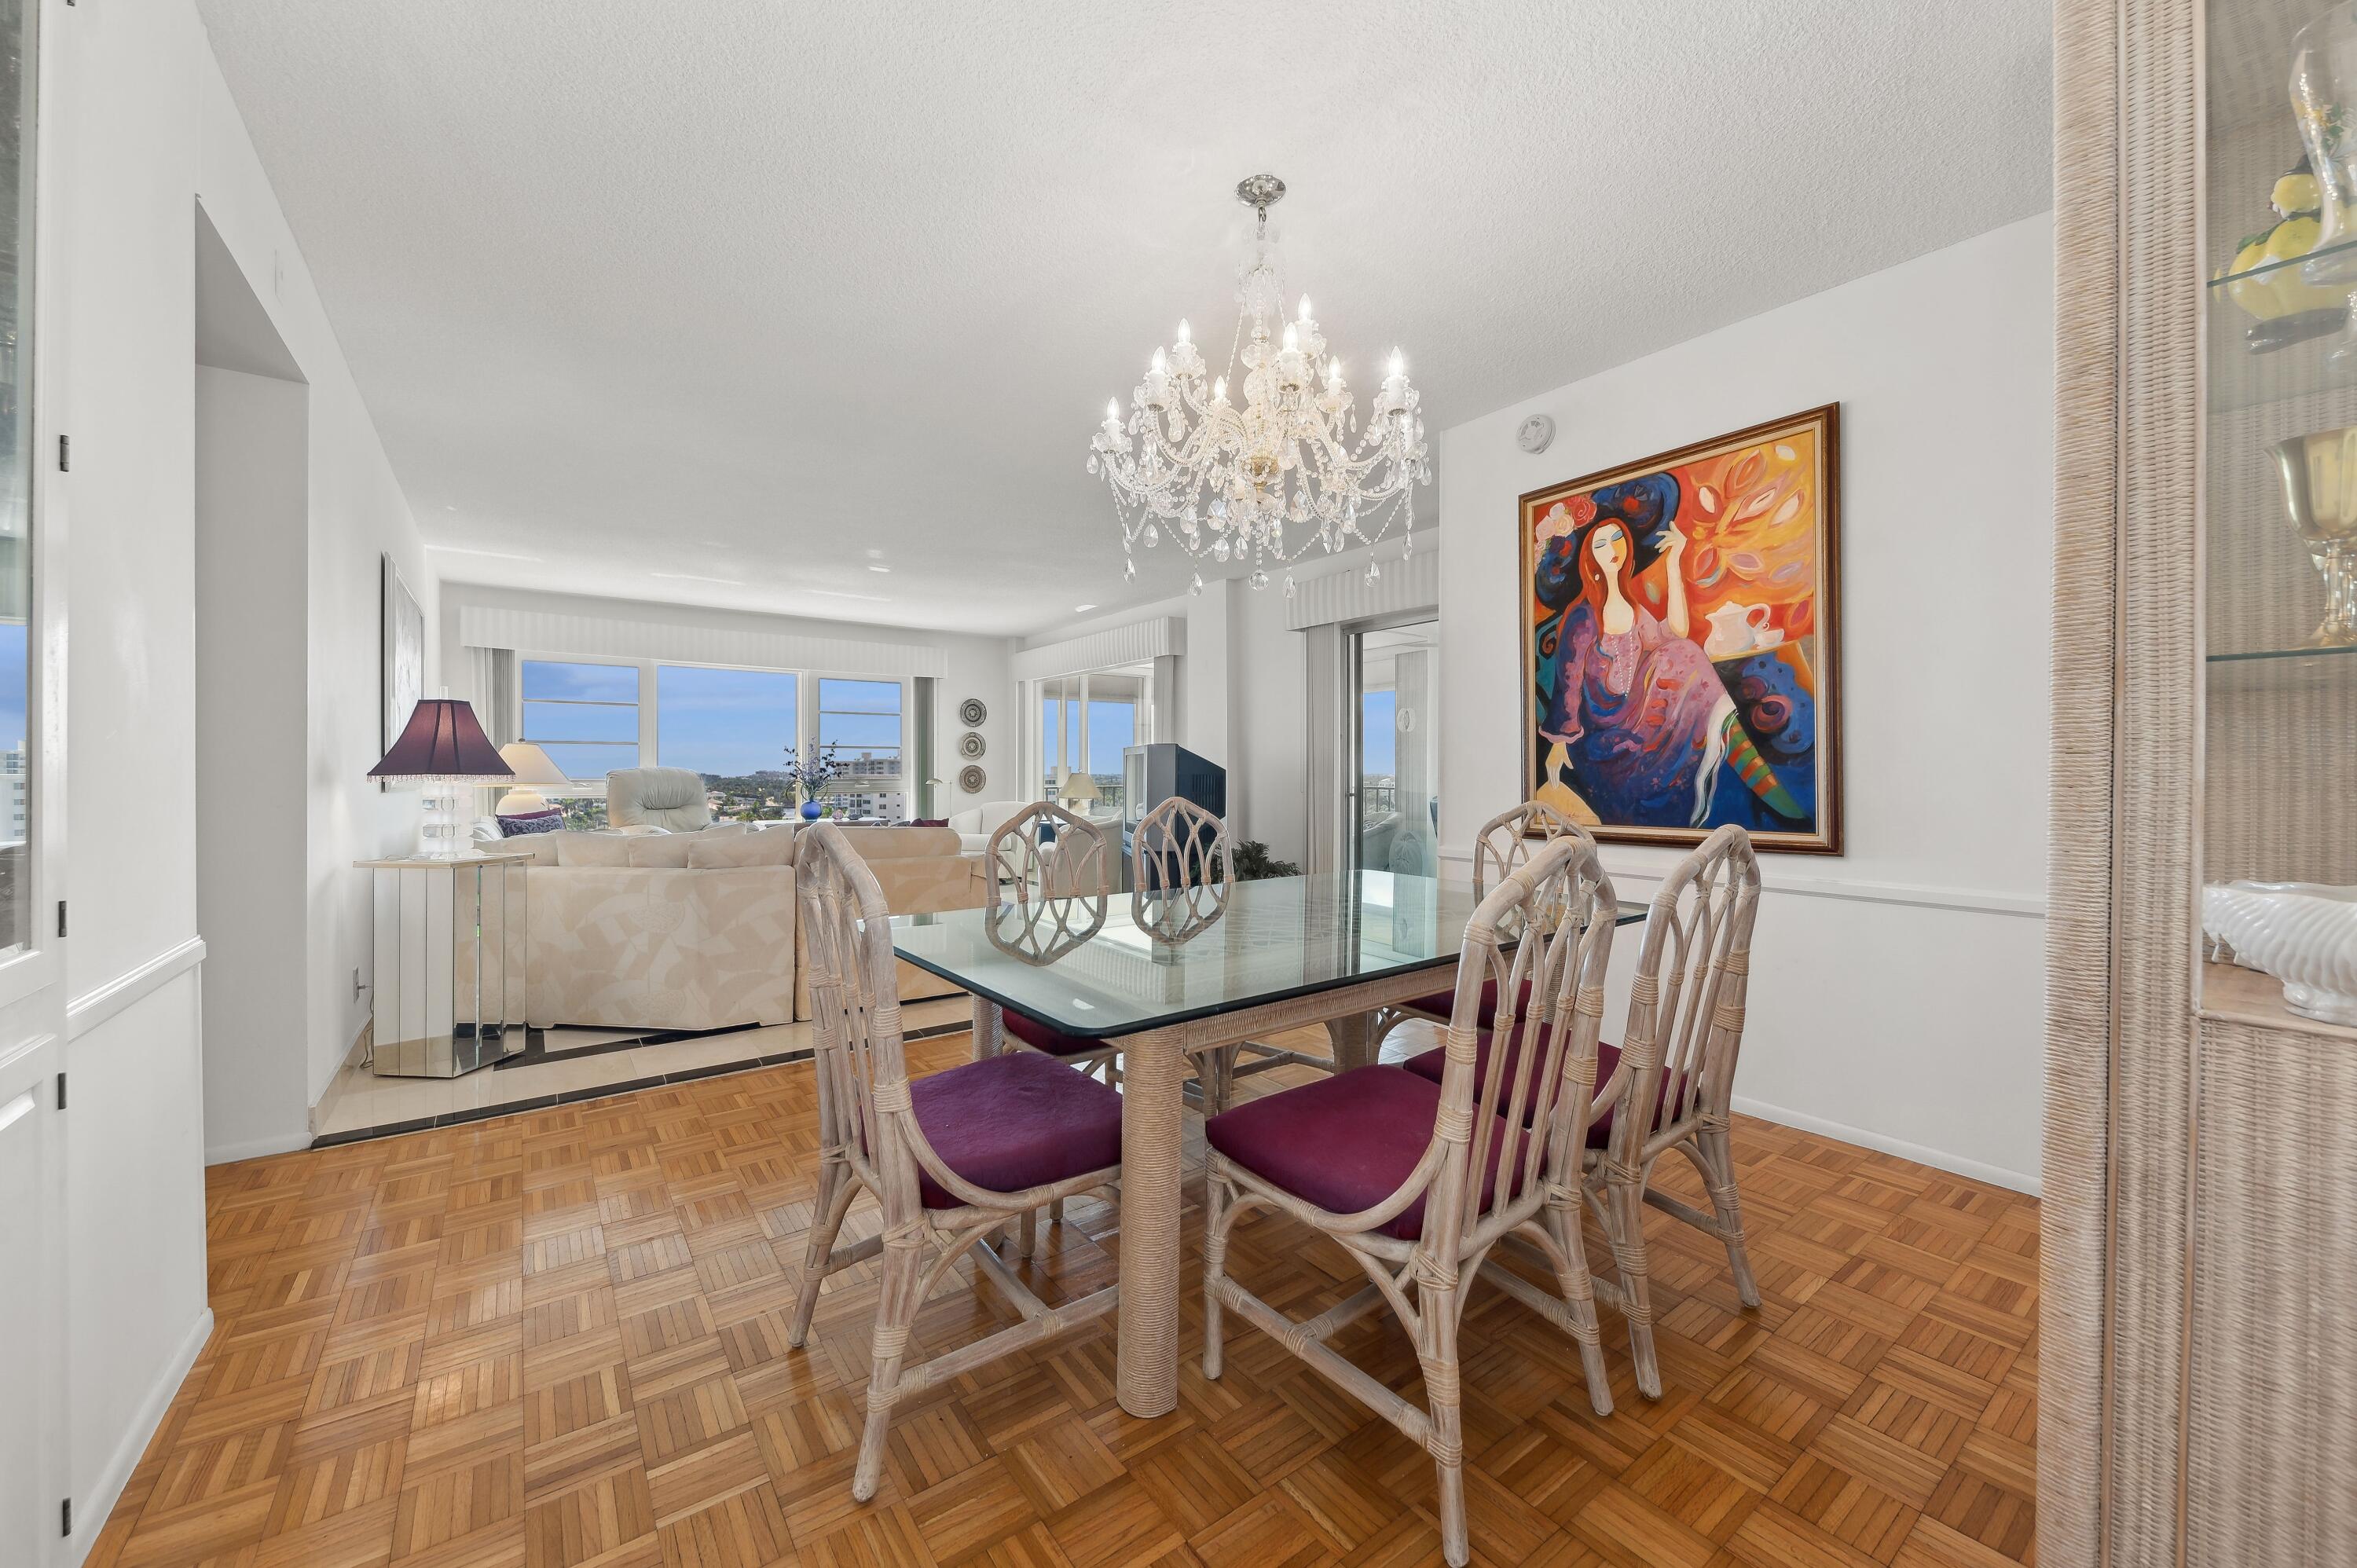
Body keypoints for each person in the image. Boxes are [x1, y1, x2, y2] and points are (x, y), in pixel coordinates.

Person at [1536, 485, 1801, 830]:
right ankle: (1754, 778)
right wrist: (1559, 743)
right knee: (1682, 654)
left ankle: (1755, 774)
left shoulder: (1633, 608)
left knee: (1683, 651)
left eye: (1617, 539)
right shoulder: (1582, 617)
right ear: (1591, 560)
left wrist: (1675, 562)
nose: (1612, 549)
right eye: (1600, 545)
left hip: (1640, 716)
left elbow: (1675, 631)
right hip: (1602, 737)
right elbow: (1568, 681)